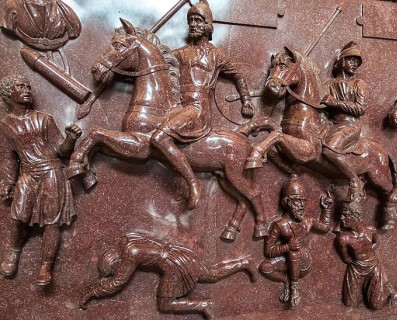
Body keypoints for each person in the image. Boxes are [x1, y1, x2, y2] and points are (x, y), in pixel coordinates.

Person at [150, 0, 255, 210]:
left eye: (198, 20)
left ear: (208, 26)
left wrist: (246, 101)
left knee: (159, 137)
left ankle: (193, 182)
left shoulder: (217, 55)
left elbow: (239, 77)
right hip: (178, 108)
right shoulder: (179, 54)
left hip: (198, 110)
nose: (193, 24)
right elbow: (155, 65)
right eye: (190, 20)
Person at [0, 74, 81, 286]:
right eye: (20, 86)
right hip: (28, 174)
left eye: (28, 86)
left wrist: (70, 139)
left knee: (51, 222)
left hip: (52, 171)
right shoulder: (5, 125)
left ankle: (46, 266)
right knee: (18, 217)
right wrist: (8, 183)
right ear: (10, 94)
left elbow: (60, 150)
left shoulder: (43, 119)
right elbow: (9, 158)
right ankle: (14, 251)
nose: (27, 90)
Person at [78, 233, 257, 319]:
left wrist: (91, 292)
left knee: (165, 305)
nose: (119, 270)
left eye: (115, 269)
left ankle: (203, 305)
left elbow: (118, 282)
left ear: (116, 263)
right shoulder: (126, 241)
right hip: (179, 254)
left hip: (174, 266)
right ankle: (243, 263)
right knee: (211, 274)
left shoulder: (130, 255)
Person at [258, 175, 332, 307]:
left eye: (303, 201)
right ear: (287, 202)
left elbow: (325, 228)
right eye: (297, 201)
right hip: (287, 261)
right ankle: (286, 281)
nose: (301, 205)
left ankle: (294, 288)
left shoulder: (308, 222)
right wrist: (286, 246)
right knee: (265, 267)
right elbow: (268, 251)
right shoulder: (280, 225)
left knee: (295, 251)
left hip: (303, 261)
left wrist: (326, 209)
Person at [320, 41, 367, 201]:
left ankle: (355, 180)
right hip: (330, 124)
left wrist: (336, 103)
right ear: (341, 62)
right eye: (351, 60)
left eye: (357, 62)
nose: (354, 64)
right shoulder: (329, 85)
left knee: (329, 150)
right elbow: (320, 103)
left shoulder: (358, 84)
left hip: (350, 125)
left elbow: (360, 109)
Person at [334, 201, 397, 310]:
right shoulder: (344, 238)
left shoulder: (371, 230)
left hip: (373, 266)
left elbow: (377, 242)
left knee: (376, 305)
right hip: (356, 268)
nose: (342, 218)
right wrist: (359, 259)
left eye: (345, 214)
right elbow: (346, 259)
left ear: (355, 215)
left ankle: (388, 289)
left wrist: (369, 253)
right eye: (341, 214)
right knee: (349, 304)